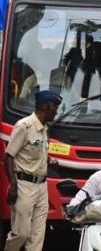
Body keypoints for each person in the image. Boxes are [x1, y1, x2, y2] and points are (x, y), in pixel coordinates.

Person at [5, 90, 59, 251]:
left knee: (36, 236)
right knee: (21, 234)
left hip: (41, 187)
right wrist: (13, 185)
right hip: (24, 186)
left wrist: (49, 161)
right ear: (44, 106)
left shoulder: (44, 128)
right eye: (54, 107)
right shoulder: (24, 126)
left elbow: (35, 153)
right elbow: (8, 157)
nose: (56, 111)